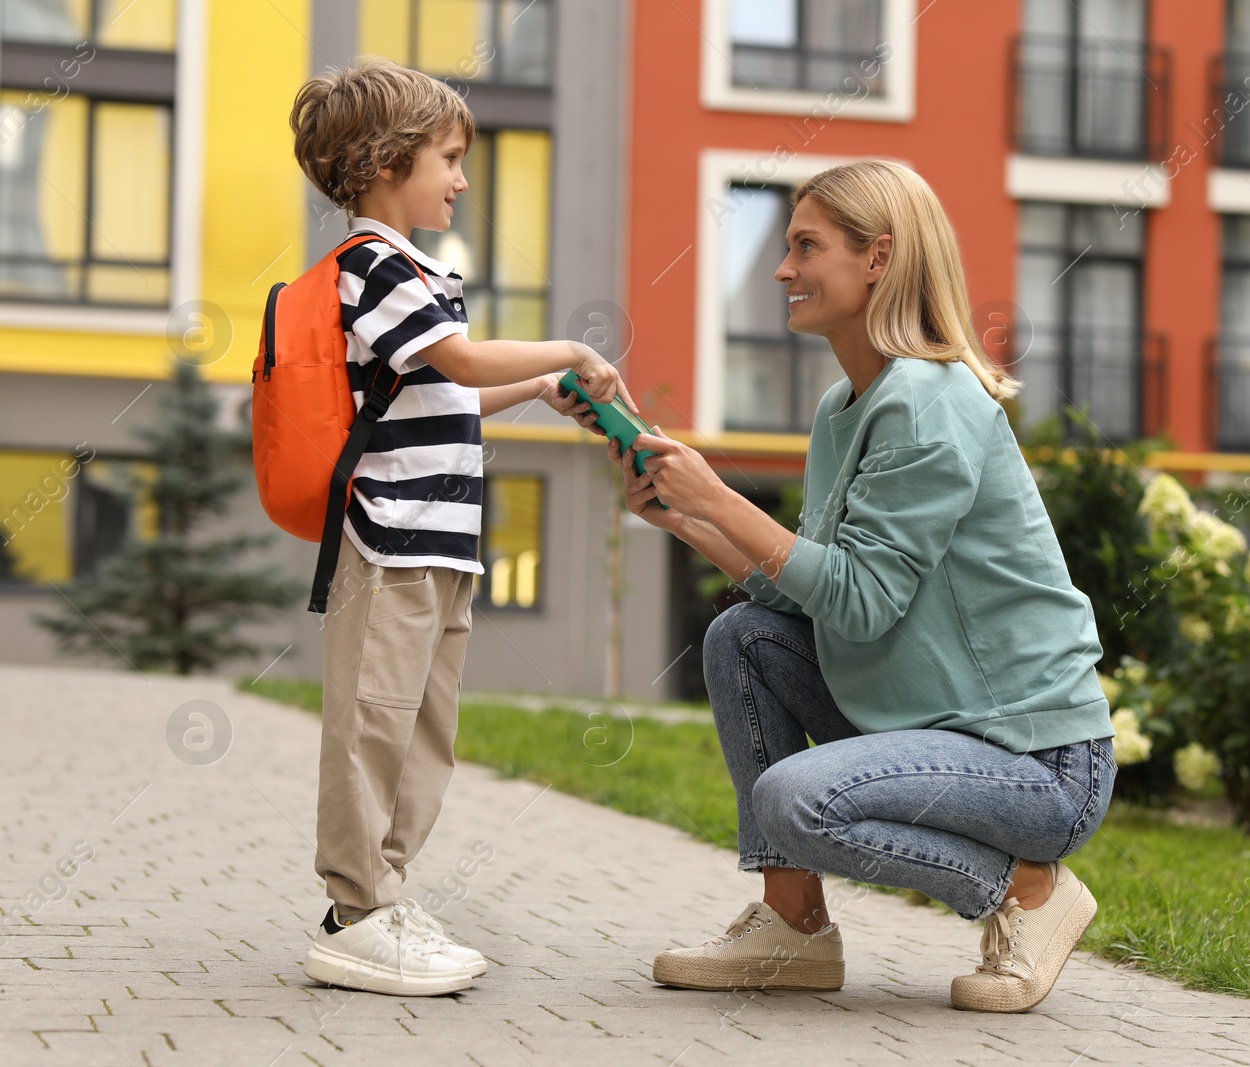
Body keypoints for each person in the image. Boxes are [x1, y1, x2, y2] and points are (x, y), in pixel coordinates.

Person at [555, 160, 1113, 1013]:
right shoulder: (845, 406)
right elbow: (801, 595)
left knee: (793, 799)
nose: (783, 269)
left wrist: (722, 500)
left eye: (805, 246)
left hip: (1035, 764)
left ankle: (1027, 889)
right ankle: (794, 926)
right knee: (742, 637)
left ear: (878, 258)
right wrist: (688, 519)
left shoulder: (928, 404)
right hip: (937, 730)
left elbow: (860, 599)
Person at [288, 58, 632, 997]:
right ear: (384, 162)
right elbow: (461, 359)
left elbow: (449, 392)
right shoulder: (374, 265)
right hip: (390, 540)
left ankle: (383, 896)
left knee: (423, 733)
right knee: (373, 724)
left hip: (441, 541)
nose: (462, 177)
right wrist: (569, 347)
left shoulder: (420, 270)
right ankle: (353, 910)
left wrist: (540, 388)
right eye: (447, 157)